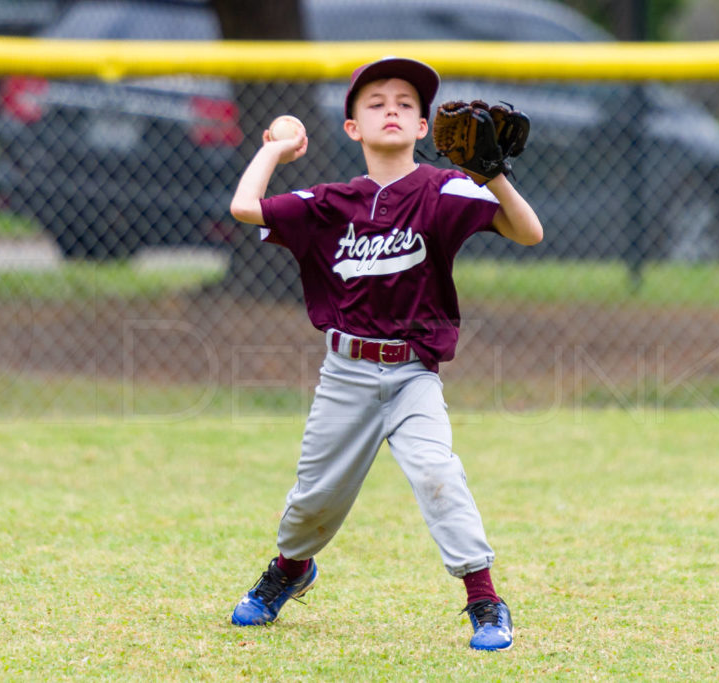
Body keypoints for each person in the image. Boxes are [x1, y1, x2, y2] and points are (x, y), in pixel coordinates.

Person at [227, 56, 543, 651]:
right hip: (344, 373)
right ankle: (291, 571)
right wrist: (275, 148)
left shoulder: (444, 188)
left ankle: (485, 600)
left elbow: (529, 232)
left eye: (406, 103)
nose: (392, 109)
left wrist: (493, 173)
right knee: (314, 499)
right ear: (352, 129)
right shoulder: (330, 201)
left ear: (425, 127)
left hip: (412, 375)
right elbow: (246, 208)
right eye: (375, 103)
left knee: (437, 474)